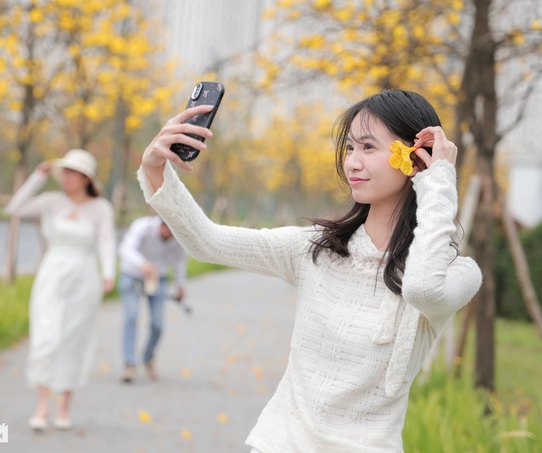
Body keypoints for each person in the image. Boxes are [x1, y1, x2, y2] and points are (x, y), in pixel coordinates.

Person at [137, 89, 483, 452]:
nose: (352, 162)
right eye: (350, 148)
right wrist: (154, 168)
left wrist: (439, 180)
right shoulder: (316, 249)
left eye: (368, 147)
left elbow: (422, 289)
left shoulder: (457, 272)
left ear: (416, 157)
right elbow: (207, 241)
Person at [6, 148, 116, 432]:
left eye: (73, 172)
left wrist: (108, 273)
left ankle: (64, 405)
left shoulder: (100, 208)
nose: (67, 177)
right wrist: (36, 179)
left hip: (84, 277)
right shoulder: (51, 201)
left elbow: (106, 242)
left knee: (74, 339)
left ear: (85, 178)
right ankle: (41, 405)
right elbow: (14, 209)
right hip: (52, 273)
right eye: (64, 171)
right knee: (46, 335)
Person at [118, 216, 187, 383]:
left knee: (158, 324)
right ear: (161, 224)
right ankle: (129, 363)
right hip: (133, 274)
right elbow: (125, 248)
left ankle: (148, 357)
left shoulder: (178, 238)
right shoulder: (143, 226)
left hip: (158, 277)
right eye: (168, 229)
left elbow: (179, 262)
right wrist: (143, 265)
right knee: (131, 317)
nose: (170, 235)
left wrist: (180, 285)